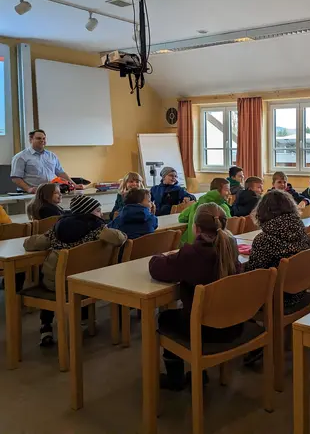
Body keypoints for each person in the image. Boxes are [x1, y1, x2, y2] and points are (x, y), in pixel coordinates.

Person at [149, 203, 243, 390]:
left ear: (196, 228)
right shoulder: (231, 249)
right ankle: (200, 373)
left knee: (166, 318)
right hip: (234, 323)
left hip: (205, 329)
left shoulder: (192, 254)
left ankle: (175, 379)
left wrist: (159, 256)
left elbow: (158, 269)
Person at [23, 195, 127, 346]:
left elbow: (31, 244)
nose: (100, 214)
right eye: (98, 211)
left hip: (57, 284)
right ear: (88, 212)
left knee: (44, 279)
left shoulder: (57, 228)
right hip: (86, 281)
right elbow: (119, 238)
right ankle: (84, 318)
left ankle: (45, 326)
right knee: (81, 270)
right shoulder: (97, 228)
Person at [244, 190, 310, 307]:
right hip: (299, 290)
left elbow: (254, 275)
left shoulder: (264, 239)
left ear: (263, 211)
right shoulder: (300, 228)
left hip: (277, 296)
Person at [10, 129, 75, 194]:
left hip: (50, 192)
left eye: (44, 138)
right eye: (38, 138)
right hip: (30, 193)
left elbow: (61, 173)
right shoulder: (20, 157)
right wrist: (29, 189)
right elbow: (16, 178)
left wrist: (74, 185)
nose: (42, 140)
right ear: (31, 140)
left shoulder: (51, 155)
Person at [179, 178, 231, 245]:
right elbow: (230, 227)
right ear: (217, 191)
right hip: (216, 246)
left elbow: (181, 218)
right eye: (227, 190)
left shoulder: (196, 204)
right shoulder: (223, 208)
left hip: (192, 244)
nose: (230, 193)